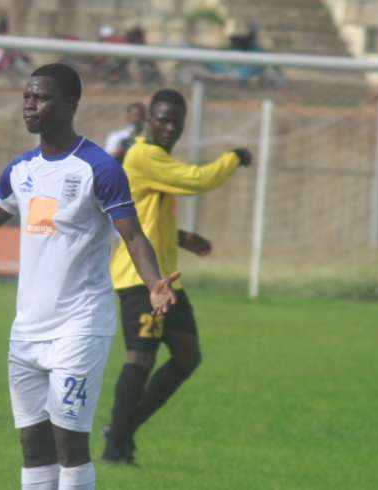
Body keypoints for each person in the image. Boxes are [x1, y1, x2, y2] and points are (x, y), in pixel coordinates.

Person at [0, 63, 178, 490]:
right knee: (34, 447)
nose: (30, 105)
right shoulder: (20, 169)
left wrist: (154, 283)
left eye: (41, 97)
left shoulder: (98, 168)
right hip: (26, 331)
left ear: (71, 104)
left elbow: (132, 235)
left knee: (69, 441)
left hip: (79, 326)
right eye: (27, 97)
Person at [102, 88, 252, 464]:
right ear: (149, 120)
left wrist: (182, 237)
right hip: (141, 279)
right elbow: (198, 179)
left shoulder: (152, 156)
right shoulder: (145, 154)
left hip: (167, 280)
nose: (169, 128)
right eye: (163, 120)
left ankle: (123, 428)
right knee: (140, 359)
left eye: (176, 122)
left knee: (187, 356)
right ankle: (114, 448)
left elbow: (144, 213)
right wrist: (234, 157)